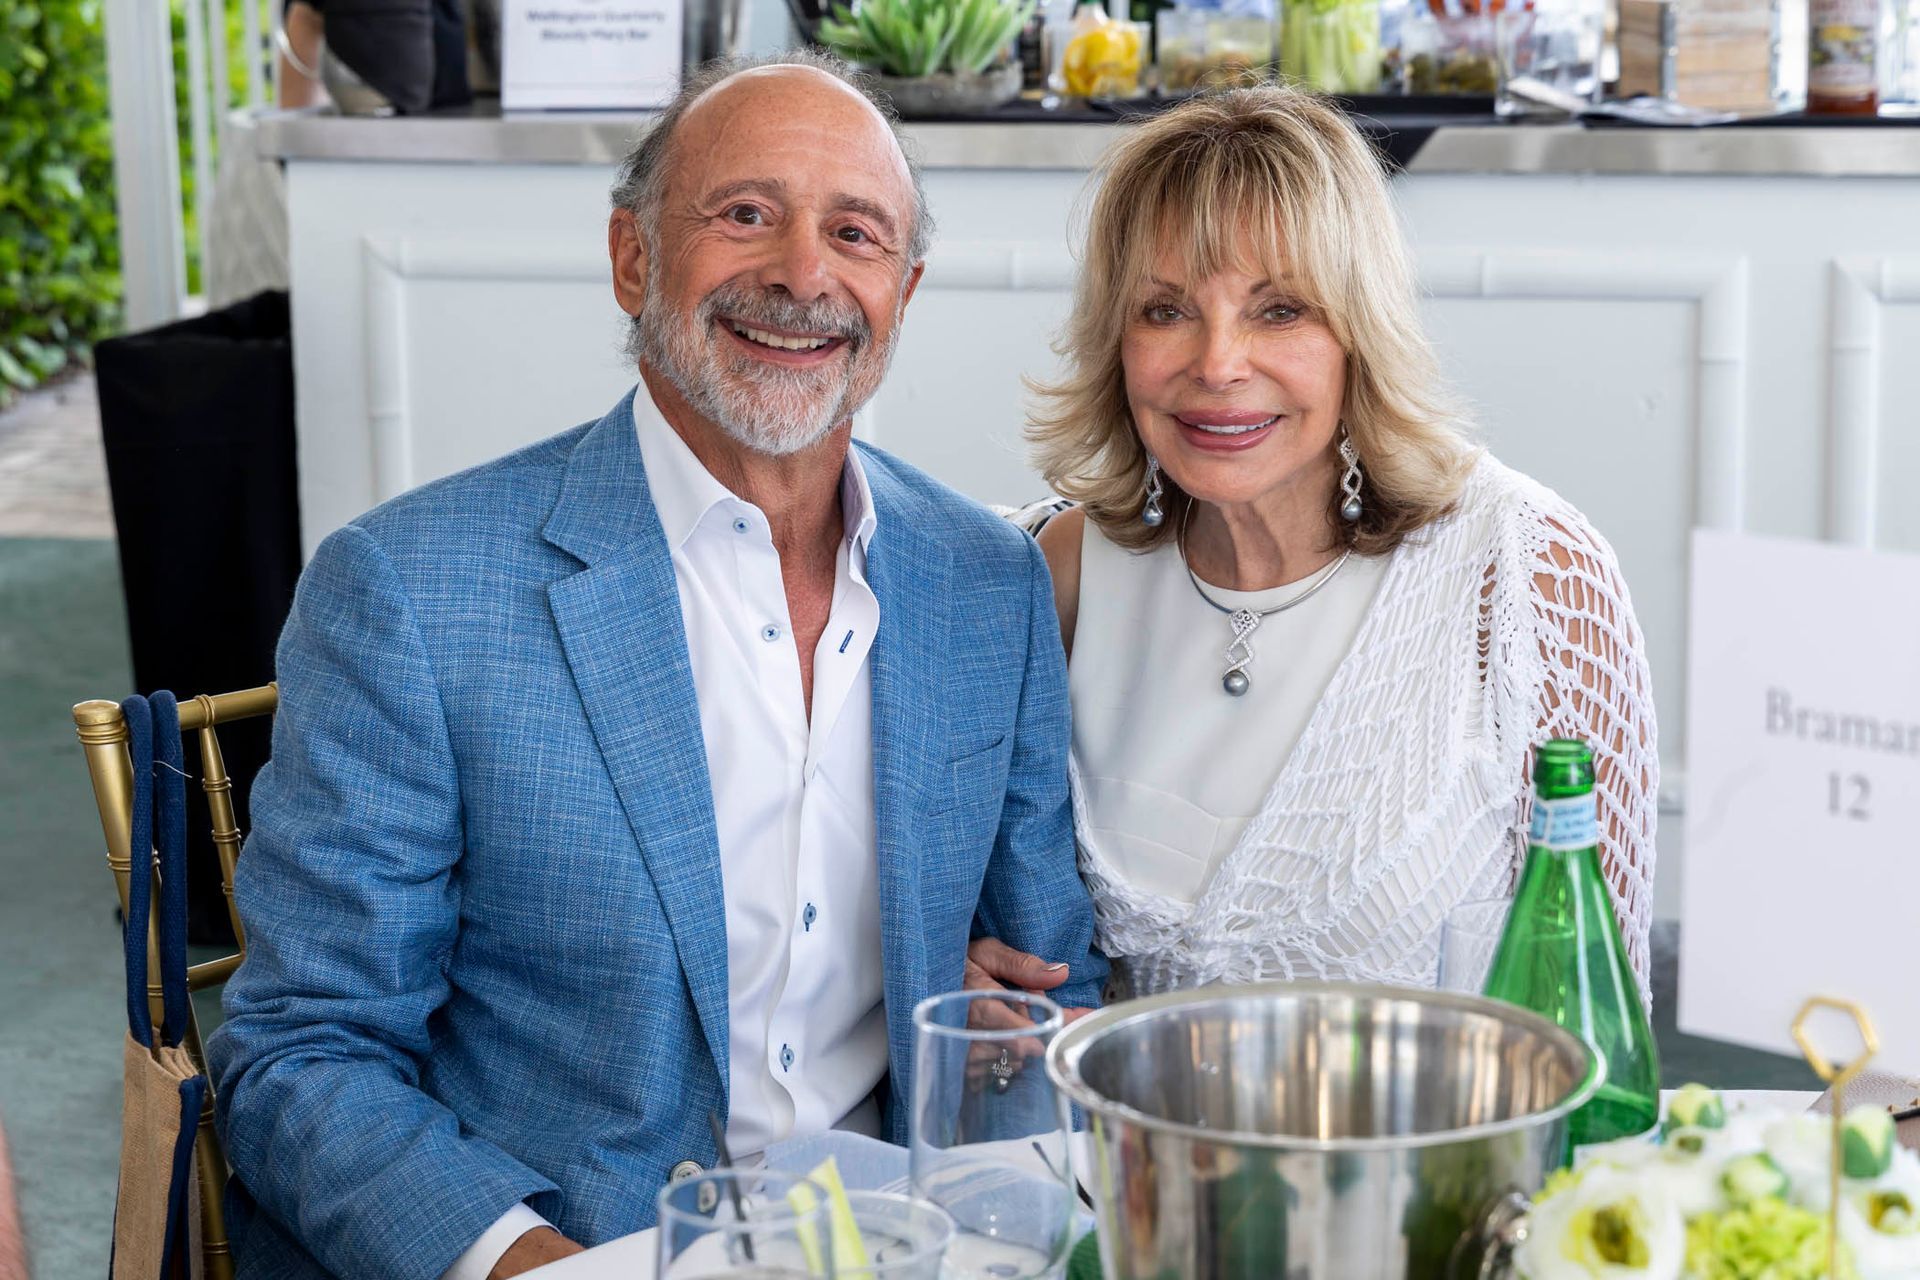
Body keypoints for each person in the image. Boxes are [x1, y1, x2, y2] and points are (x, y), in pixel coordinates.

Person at [207, 53, 1103, 1280]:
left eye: (855, 233)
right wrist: (536, 1266)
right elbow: (301, 1052)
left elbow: (1049, 986)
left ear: (904, 289)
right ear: (633, 256)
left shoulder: (983, 584)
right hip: (571, 1239)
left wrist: (1010, 1046)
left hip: (890, 1238)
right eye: (745, 214)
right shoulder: (410, 591)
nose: (802, 274)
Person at [1026, 87, 1657, 1002]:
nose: (1217, 364)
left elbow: (1607, 1014)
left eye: (1279, 309)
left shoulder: (1529, 576)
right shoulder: (1059, 573)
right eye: (1164, 310)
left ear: (1359, 332)